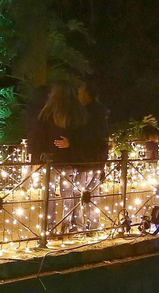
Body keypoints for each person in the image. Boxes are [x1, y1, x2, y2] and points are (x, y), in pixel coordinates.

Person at [38, 81, 84, 234]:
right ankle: (67, 226)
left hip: (51, 158)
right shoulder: (77, 113)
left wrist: (42, 152)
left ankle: (49, 227)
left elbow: (41, 136)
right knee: (68, 193)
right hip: (68, 157)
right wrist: (72, 143)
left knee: (50, 193)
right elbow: (83, 133)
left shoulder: (47, 113)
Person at [71, 83, 110, 231]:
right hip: (98, 158)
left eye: (80, 93)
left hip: (85, 158)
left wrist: (72, 142)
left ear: (87, 95)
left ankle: (79, 225)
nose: (78, 95)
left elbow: (85, 136)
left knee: (78, 192)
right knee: (94, 193)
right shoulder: (100, 113)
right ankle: (94, 225)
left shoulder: (86, 113)